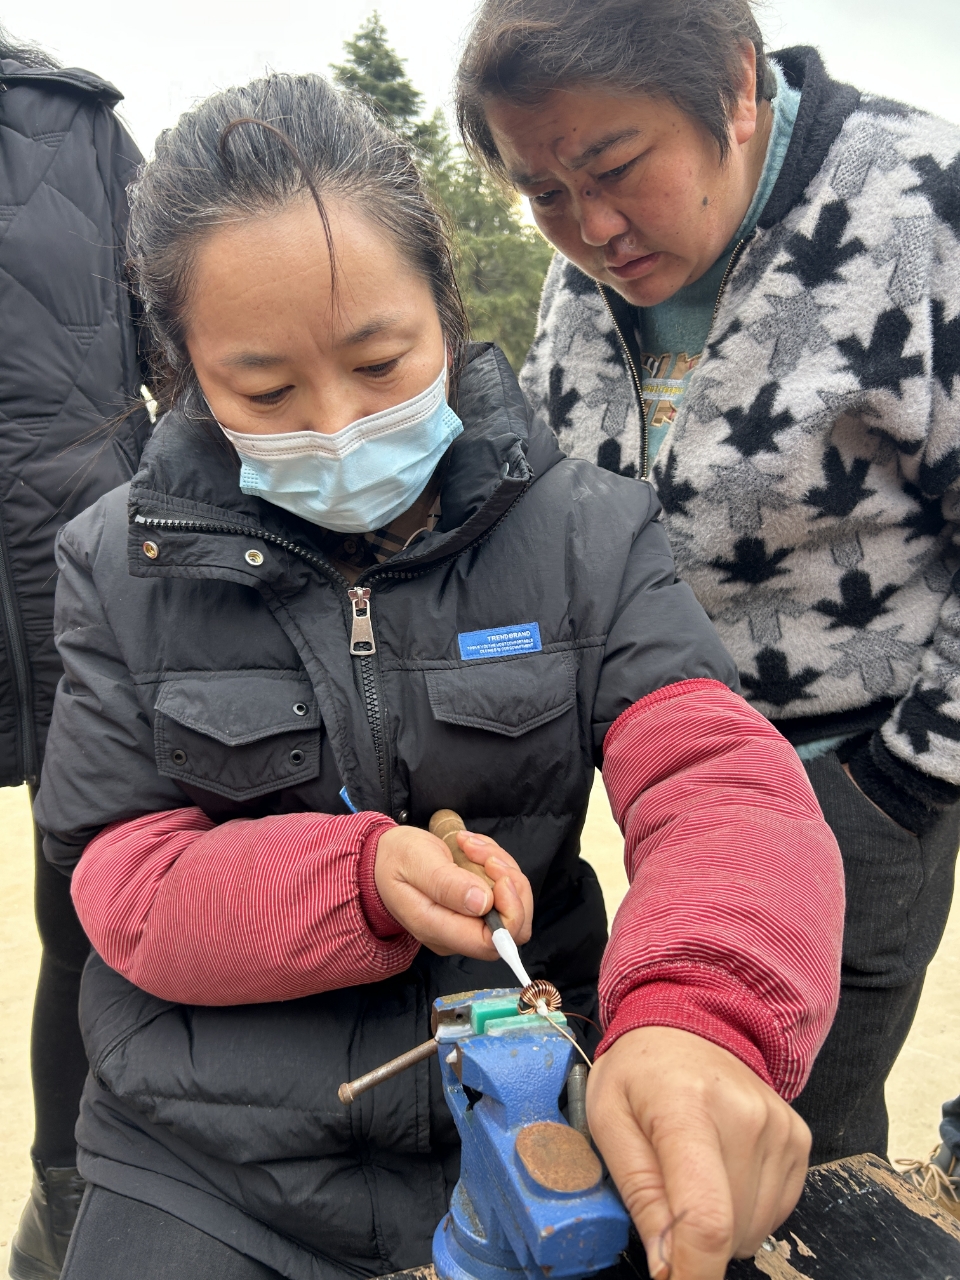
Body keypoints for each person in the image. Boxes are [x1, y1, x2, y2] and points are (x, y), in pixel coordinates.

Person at [34, 71, 843, 1280]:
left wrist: (698, 1022)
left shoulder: (587, 531)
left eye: (380, 358)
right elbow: (124, 879)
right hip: (199, 1162)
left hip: (527, 1121)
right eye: (265, 388)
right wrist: (353, 880)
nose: (339, 422)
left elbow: (721, 780)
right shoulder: (113, 562)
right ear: (183, 366)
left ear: (444, 305)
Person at [455, 0, 960, 1166]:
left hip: (851, 778)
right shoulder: (580, 275)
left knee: (791, 1149)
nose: (590, 228)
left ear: (736, 87)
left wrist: (901, 783)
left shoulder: (924, 206)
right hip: (665, 778)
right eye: (542, 194)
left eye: (612, 166)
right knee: (645, 1096)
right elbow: (553, 508)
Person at [0, 27, 151, 1280]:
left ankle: (70, 1199)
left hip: (70, 582)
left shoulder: (71, 122)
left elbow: (187, 337)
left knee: (88, 909)